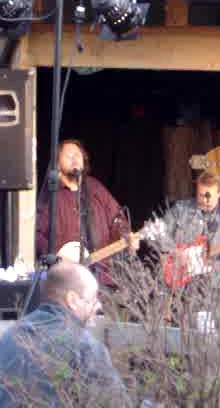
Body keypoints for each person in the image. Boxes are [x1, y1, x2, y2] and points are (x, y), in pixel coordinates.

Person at [0, 262, 131, 407]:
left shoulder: (9, 336)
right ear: (72, 300)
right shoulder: (85, 347)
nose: (99, 305)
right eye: (94, 298)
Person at [36, 139, 137, 285]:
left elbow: (117, 218)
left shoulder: (95, 188)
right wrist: (57, 257)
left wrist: (126, 236)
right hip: (67, 281)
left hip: (104, 277)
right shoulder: (51, 195)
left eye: (78, 155)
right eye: (69, 155)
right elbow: (37, 234)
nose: (75, 158)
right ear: (57, 164)